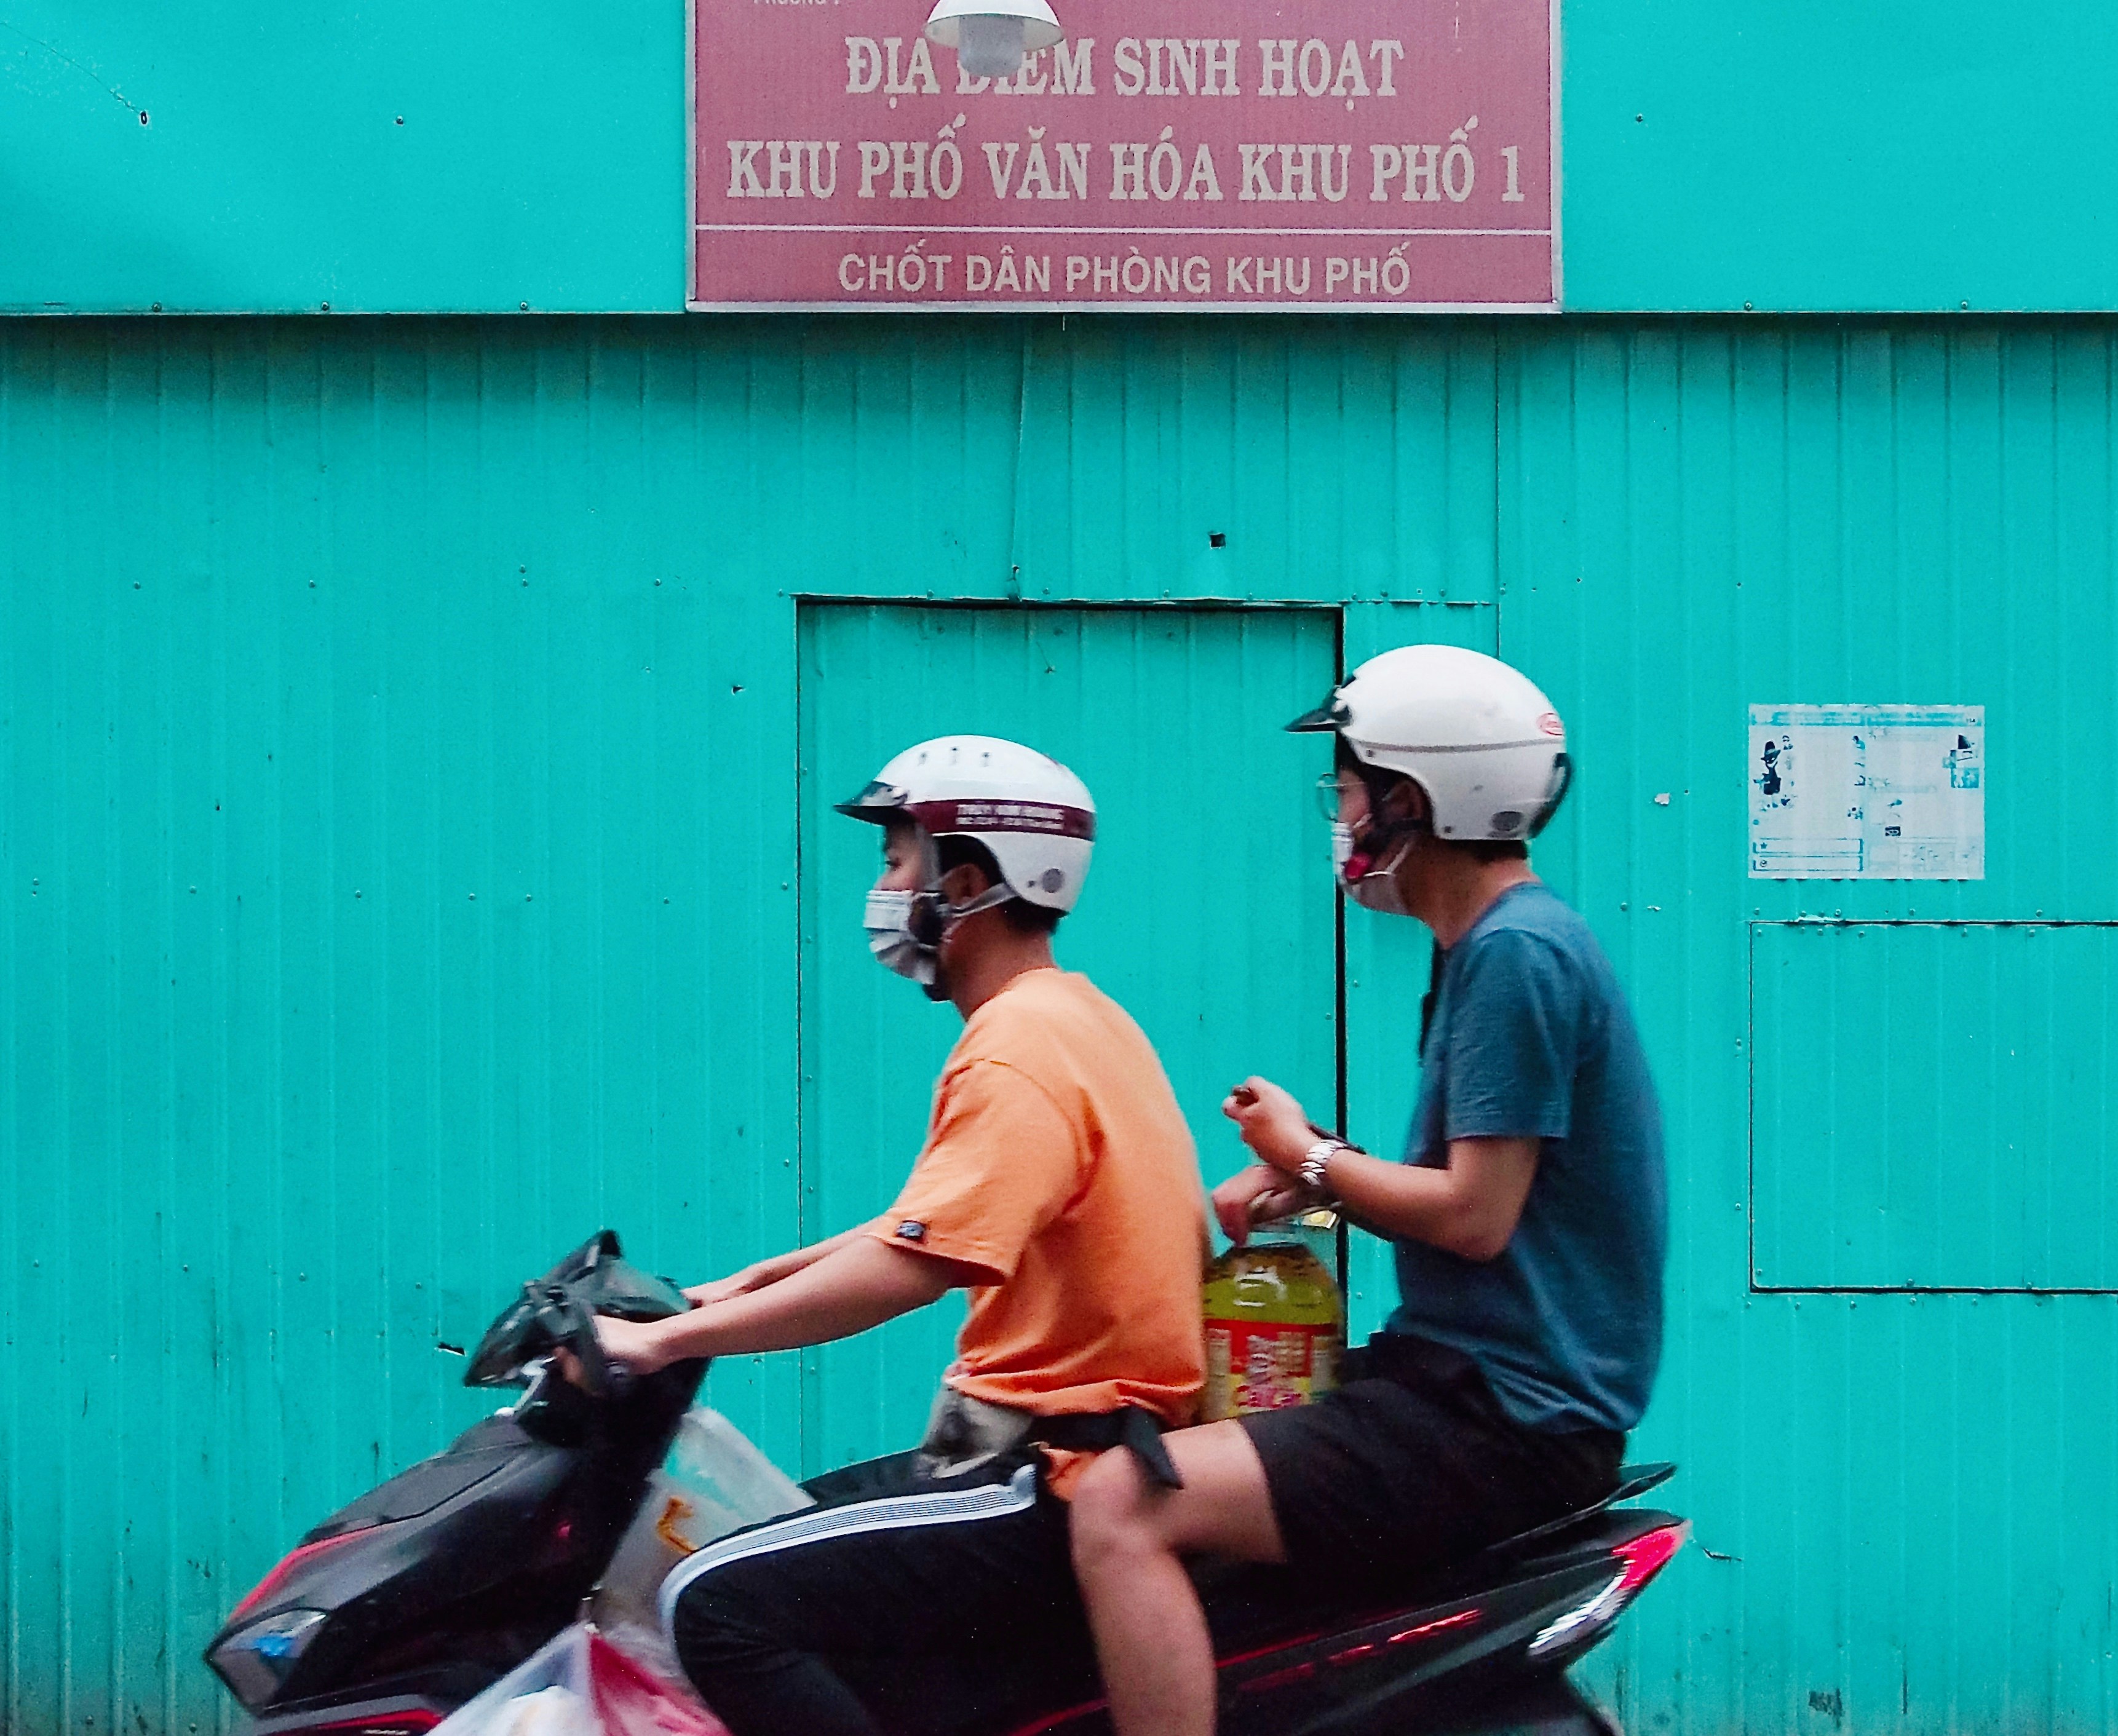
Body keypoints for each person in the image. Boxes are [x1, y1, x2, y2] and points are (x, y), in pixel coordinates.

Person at [1065, 645, 1668, 1736]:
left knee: (1120, 1506)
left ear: (1413, 798)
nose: (1339, 818)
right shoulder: (1494, 948)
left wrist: (1303, 1154)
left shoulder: (1517, 955)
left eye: (1348, 792)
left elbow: (1474, 1221)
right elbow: (1483, 1212)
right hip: (1474, 1393)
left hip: (1499, 1416)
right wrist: (1314, 1196)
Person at [584, 735, 1208, 1736]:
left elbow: (910, 1269)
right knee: (763, 1535)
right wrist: (744, 1284)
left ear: (962, 885)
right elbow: (935, 1222)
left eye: (894, 861)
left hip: (1054, 1475)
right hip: (1036, 1455)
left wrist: (662, 1341)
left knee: (716, 1600)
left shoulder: (1015, 1051)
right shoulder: (1074, 1018)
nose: (882, 890)